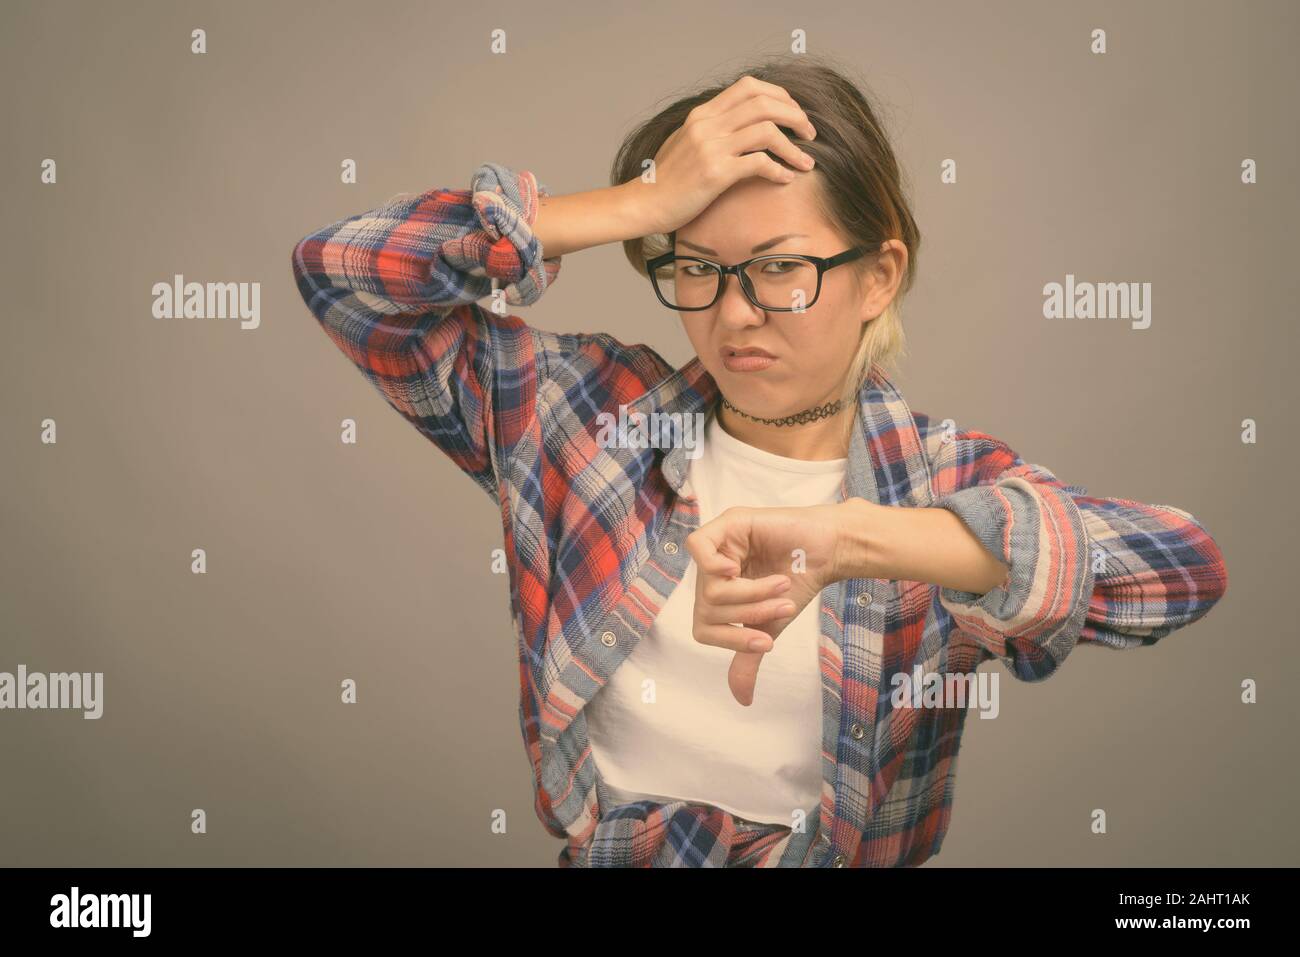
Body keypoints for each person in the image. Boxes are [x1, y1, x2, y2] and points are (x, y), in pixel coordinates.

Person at [290, 54, 1228, 867]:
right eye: (694, 263)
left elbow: (1183, 569)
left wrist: (860, 539)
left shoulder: (936, 490)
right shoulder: (581, 422)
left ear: (879, 275)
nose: (734, 312)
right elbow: (341, 273)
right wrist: (638, 203)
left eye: (781, 267)